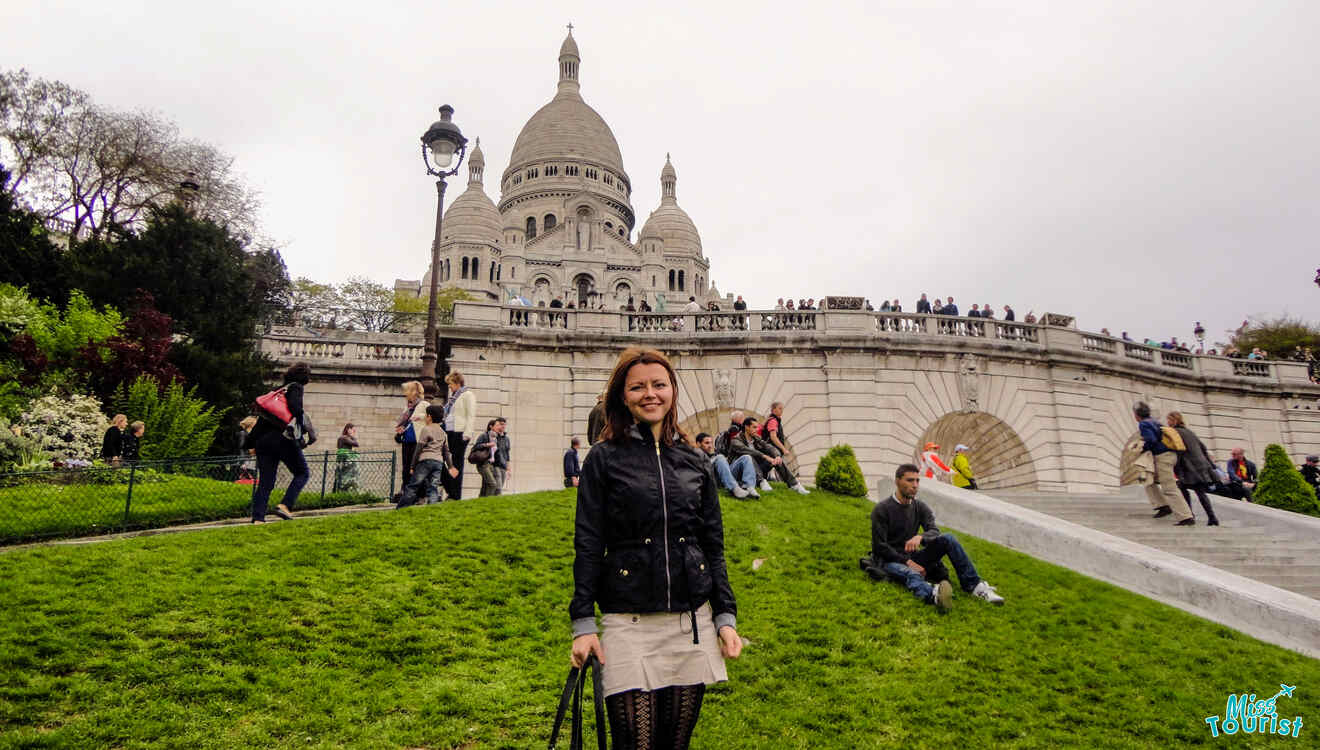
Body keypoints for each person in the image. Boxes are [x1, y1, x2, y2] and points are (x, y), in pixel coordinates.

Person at [570, 347, 742, 747]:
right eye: (638, 387)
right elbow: (589, 543)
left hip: (690, 623)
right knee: (634, 745)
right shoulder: (603, 459)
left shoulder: (695, 461)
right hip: (627, 622)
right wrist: (582, 623)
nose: (650, 394)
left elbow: (712, 545)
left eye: (659, 385)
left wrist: (725, 616)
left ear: (672, 391)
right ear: (623, 396)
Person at [861, 463, 1005, 610]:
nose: (915, 485)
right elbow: (879, 546)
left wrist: (920, 537)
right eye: (910, 480)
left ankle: (975, 587)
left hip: (913, 556)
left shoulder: (919, 507)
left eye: (917, 481)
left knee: (948, 539)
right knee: (911, 573)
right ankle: (933, 595)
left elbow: (934, 530)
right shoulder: (882, 509)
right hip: (889, 560)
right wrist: (907, 562)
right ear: (897, 481)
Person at [247, 363, 313, 523]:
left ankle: (258, 518)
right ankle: (285, 505)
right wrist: (305, 423)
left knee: (266, 482)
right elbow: (296, 409)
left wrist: (251, 444)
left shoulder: (277, 392)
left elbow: (260, 422)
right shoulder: (296, 388)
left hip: (263, 442)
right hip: (282, 439)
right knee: (302, 473)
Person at [1134, 402, 1194, 525]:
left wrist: (1142, 448)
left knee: (1169, 487)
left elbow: (1152, 440)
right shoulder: (1155, 422)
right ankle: (1162, 506)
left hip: (1163, 457)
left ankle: (1186, 517)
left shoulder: (1144, 424)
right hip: (1168, 456)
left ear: (1136, 415)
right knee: (1147, 479)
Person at [395, 404, 458, 508]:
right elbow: (446, 451)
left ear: (429, 417)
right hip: (438, 463)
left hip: (425, 461)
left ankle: (401, 507)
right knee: (433, 487)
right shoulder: (443, 433)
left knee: (413, 485)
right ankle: (432, 509)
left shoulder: (426, 429)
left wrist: (412, 466)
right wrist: (451, 467)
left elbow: (418, 449)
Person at [1166, 412, 1220, 526]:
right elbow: (1203, 448)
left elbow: (1178, 450)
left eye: (1169, 420)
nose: (1168, 422)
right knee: (1199, 492)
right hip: (1200, 466)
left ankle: (1189, 516)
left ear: (1174, 420)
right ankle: (1212, 517)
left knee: (1183, 489)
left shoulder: (1175, 433)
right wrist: (1210, 465)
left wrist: (1175, 466)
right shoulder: (1190, 432)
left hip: (1189, 466)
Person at [731, 417, 809, 494]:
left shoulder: (756, 438)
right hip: (743, 473)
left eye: (757, 427)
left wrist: (777, 456)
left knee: (777, 459)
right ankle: (761, 482)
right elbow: (748, 451)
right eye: (754, 427)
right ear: (746, 427)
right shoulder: (736, 440)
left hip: (758, 470)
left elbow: (768, 446)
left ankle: (794, 484)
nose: (757, 430)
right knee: (749, 456)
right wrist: (765, 456)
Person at [441, 372, 479, 500]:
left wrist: (467, 434)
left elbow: (471, 415)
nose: (449, 387)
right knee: (447, 462)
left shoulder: (468, 395)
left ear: (457, 383)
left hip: (460, 433)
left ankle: (455, 494)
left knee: (457, 463)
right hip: (450, 432)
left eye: (451, 384)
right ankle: (451, 490)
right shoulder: (453, 398)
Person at [697, 432, 759, 498]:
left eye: (711, 443)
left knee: (746, 457)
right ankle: (734, 488)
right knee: (720, 457)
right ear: (698, 444)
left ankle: (749, 487)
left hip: (724, 477)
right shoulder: (695, 456)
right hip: (713, 479)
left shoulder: (713, 455)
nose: (710, 446)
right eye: (707, 443)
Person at [395, 381, 428, 489]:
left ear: (413, 392)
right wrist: (400, 429)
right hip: (406, 441)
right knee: (406, 468)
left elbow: (434, 416)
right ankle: (405, 490)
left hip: (417, 441)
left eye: (407, 390)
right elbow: (404, 422)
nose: (405, 393)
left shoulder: (424, 404)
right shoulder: (408, 408)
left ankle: (420, 494)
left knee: (416, 467)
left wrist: (420, 417)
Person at [475, 420, 501, 497]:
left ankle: (480, 502)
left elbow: (496, 453)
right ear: (491, 426)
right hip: (483, 464)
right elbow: (476, 446)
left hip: (491, 465)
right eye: (497, 425)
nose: (499, 427)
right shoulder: (484, 436)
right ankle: (488, 501)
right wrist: (487, 444)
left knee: (485, 486)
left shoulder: (496, 438)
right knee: (492, 484)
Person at [334, 423, 360, 492]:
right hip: (345, 459)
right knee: (344, 477)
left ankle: (342, 490)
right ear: (348, 429)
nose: (353, 432)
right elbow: (356, 444)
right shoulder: (344, 437)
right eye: (353, 430)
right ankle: (341, 490)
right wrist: (352, 436)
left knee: (343, 476)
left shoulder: (344, 437)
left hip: (343, 459)